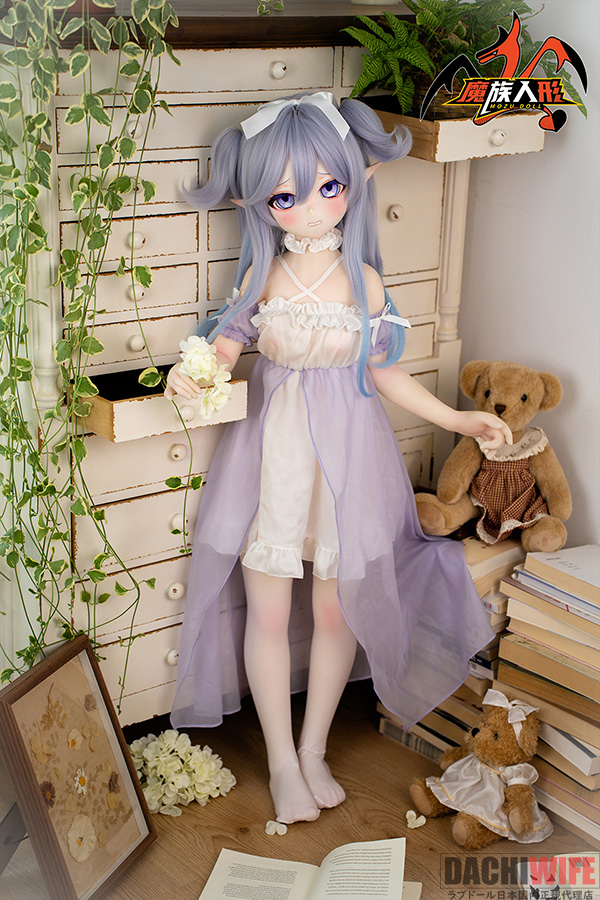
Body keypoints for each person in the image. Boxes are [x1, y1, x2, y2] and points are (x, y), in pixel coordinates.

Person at [166, 93, 512, 825]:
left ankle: (314, 747)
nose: (312, 209)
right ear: (261, 203)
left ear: (354, 182)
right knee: (266, 611)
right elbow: (223, 348)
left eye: (329, 186)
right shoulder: (263, 276)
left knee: (337, 609)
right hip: (272, 456)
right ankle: (281, 761)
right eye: (286, 196)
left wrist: (457, 418)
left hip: (349, 459)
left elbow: (384, 373)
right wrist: (195, 373)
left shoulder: (365, 282)